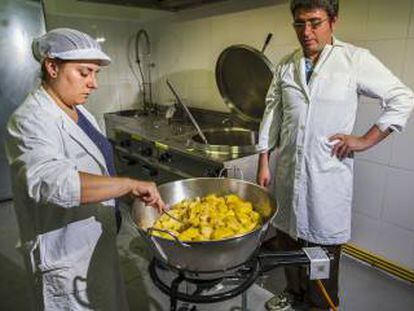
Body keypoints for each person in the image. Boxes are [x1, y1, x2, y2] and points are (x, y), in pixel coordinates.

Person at [257, 1, 414, 310]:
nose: (307, 32)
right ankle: (294, 293)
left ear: (333, 21)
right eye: (299, 24)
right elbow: (272, 114)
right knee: (288, 238)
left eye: (315, 22)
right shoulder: (286, 66)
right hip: (288, 172)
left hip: (326, 177)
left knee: (323, 251)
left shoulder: (353, 60)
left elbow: (402, 98)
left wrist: (365, 140)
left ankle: (321, 304)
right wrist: (264, 161)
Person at [6, 28, 165, 310]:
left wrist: (123, 193)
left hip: (96, 239)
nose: (93, 83)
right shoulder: (30, 120)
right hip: (66, 252)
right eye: (84, 72)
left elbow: (97, 168)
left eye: (96, 73)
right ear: (52, 67)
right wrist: (128, 184)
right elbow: (53, 183)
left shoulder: (81, 112)